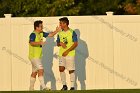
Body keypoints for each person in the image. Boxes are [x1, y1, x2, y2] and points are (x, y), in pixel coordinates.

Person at [29, 20, 61, 91]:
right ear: (37, 27)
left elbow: (51, 35)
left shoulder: (41, 33)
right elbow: (31, 43)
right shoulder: (33, 34)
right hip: (34, 56)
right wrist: (39, 43)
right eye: (41, 26)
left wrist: (56, 31)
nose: (42, 27)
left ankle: (31, 88)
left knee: (34, 72)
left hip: (38, 56)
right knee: (41, 69)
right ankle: (44, 87)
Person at [56, 17, 78, 90]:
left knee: (71, 70)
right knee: (61, 69)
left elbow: (75, 44)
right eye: (60, 23)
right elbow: (57, 43)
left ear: (65, 24)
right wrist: (60, 43)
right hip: (61, 54)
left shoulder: (72, 32)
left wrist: (67, 51)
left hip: (70, 54)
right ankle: (64, 86)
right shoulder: (60, 33)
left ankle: (72, 86)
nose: (60, 25)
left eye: (61, 23)